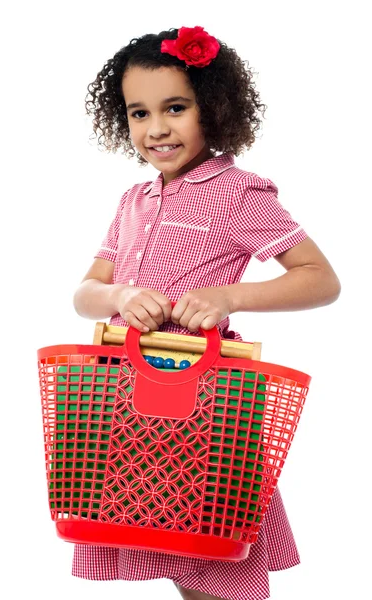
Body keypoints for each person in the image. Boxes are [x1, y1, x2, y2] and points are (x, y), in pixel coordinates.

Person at [72, 25, 340, 600]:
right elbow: (86, 291)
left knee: (215, 555)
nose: (157, 128)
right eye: (138, 113)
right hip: (128, 393)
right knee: (163, 542)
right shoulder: (133, 200)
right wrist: (119, 296)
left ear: (213, 107)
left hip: (204, 393)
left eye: (175, 107)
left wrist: (230, 296)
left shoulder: (239, 195)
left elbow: (321, 279)